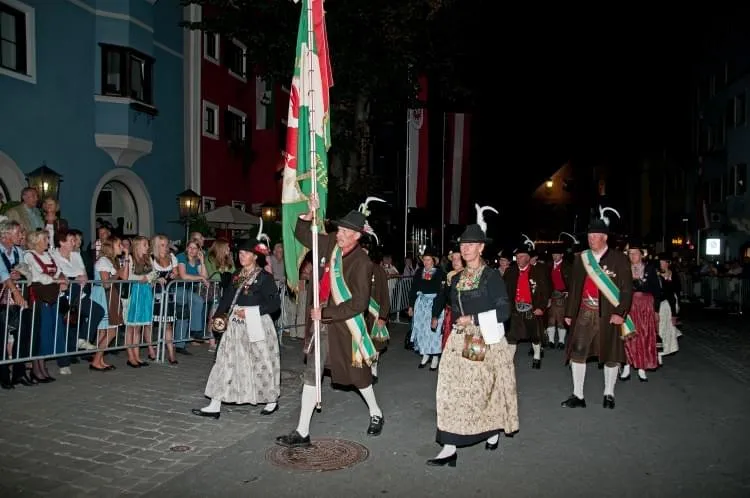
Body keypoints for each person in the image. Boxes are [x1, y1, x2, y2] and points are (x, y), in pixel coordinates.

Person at [276, 194, 384, 448]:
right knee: (312, 373)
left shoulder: (362, 262)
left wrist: (325, 314)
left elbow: (359, 303)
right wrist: (309, 214)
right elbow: (303, 235)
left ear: (357, 236)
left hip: (345, 328)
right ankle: (302, 431)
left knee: (358, 376)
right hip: (321, 325)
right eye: (340, 229)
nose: (340, 234)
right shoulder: (330, 244)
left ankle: (376, 412)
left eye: (345, 231)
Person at [428, 204, 516, 467]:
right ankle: (449, 446)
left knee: (477, 390)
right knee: (449, 390)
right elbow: (453, 309)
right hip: (458, 340)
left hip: (481, 340)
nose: (465, 249)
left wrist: (474, 320)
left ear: (481, 248)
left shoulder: (491, 277)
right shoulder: (456, 279)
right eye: (463, 245)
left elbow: (504, 311)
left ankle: (490, 429)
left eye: (471, 245)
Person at [192, 232, 281, 419]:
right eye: (240, 253)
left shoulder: (264, 277)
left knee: (262, 362)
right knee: (225, 361)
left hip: (257, 323)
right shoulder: (236, 275)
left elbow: (274, 304)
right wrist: (218, 316)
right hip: (235, 325)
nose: (241, 256)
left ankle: (271, 399)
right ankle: (215, 404)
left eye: (246, 253)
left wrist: (251, 312)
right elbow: (227, 298)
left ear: (255, 256)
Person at [561, 206, 633, 410]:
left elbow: (626, 290)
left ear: (605, 237)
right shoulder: (581, 258)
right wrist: (569, 312)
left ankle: (609, 393)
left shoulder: (619, 259)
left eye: (595, 236)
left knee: (611, 354)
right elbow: (574, 288)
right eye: (589, 235)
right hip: (584, 311)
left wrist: (620, 313)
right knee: (577, 352)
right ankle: (578, 395)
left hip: (609, 314)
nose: (591, 239)